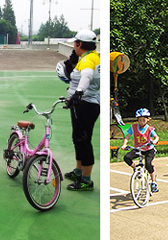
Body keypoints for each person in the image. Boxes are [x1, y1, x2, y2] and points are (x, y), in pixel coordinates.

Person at [61, 30, 100, 191]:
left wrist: (78, 93)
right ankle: (79, 171)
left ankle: (86, 179)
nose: (73, 46)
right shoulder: (92, 57)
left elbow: (87, 76)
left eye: (75, 43)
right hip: (82, 104)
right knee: (78, 137)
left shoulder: (87, 60)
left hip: (85, 104)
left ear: (80, 44)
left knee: (84, 140)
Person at [121, 108, 160, 192]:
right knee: (127, 157)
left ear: (147, 119)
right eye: (139, 120)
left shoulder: (149, 129)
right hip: (138, 149)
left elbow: (156, 137)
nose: (141, 122)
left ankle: (153, 182)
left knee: (148, 164)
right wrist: (124, 144)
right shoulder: (133, 127)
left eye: (143, 120)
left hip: (149, 149)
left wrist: (154, 141)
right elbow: (127, 136)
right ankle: (135, 169)